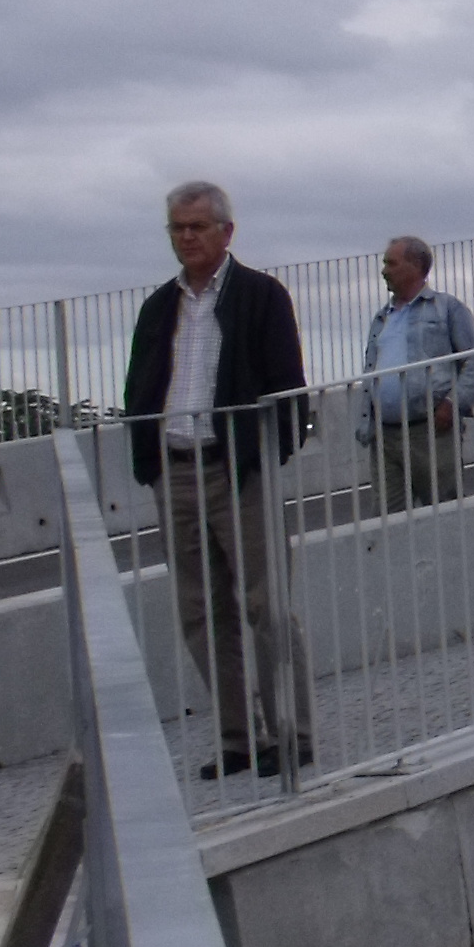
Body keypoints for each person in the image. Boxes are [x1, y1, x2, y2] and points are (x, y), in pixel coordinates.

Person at [120, 180, 313, 783]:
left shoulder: (260, 295)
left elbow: (288, 387)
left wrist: (262, 455)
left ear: (226, 231)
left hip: (236, 469)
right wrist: (147, 459)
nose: (186, 238)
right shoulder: (159, 306)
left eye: (197, 227)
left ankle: (291, 732)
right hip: (175, 470)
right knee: (201, 612)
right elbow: (140, 385)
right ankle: (237, 738)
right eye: (177, 228)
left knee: (266, 604)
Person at [354, 235, 474, 508]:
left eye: (391, 263)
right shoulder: (382, 317)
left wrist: (453, 403)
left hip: (429, 431)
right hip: (385, 435)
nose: (384, 270)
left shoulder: (446, 308)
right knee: (390, 518)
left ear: (415, 266)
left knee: (443, 511)